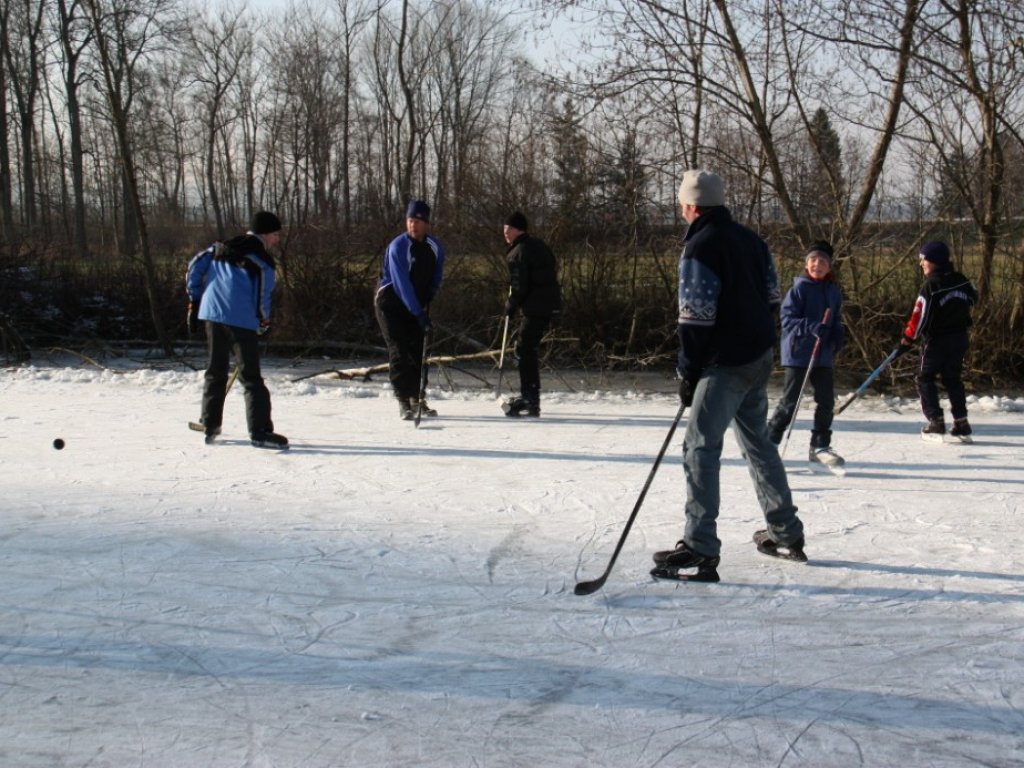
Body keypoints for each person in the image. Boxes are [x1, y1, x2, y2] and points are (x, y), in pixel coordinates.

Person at [652, 170, 806, 583]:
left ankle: (700, 546)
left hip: (725, 363)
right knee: (758, 444)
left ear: (692, 206)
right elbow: (773, 298)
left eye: (682, 204)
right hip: (757, 356)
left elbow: (695, 317)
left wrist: (688, 369)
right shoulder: (751, 240)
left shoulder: (700, 247)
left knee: (699, 446)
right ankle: (786, 533)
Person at [186, 210, 287, 449]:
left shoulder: (219, 248)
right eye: (275, 234)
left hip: (212, 314)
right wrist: (263, 321)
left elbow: (194, 267)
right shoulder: (263, 262)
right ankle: (260, 431)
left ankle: (210, 422)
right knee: (251, 377)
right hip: (240, 320)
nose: (276, 240)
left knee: (215, 370)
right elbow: (263, 296)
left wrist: (195, 299)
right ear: (265, 234)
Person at [767, 240, 846, 468]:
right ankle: (769, 443)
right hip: (798, 352)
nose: (817, 265)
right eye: (813, 260)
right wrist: (811, 326)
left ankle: (819, 444)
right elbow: (787, 319)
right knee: (790, 401)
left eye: (822, 261)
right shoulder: (798, 289)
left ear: (829, 267)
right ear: (806, 263)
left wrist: (837, 334)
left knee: (826, 400)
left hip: (823, 355)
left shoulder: (833, 292)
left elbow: (836, 319)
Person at [899, 240, 977, 441]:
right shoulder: (961, 279)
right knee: (952, 379)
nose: (921, 264)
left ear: (934, 261)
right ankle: (961, 422)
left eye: (924, 259)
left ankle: (936, 421)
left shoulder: (931, 286)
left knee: (925, 378)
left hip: (936, 342)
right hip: (960, 339)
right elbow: (974, 296)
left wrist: (908, 338)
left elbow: (919, 315)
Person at [375, 200, 445, 420]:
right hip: (391, 302)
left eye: (418, 221)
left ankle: (416, 398)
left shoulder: (434, 247)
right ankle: (403, 399)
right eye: (410, 220)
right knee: (399, 349)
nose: (413, 225)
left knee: (417, 350)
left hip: (415, 303)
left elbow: (436, 276)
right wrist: (418, 313)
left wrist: (428, 298)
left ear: (426, 223)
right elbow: (402, 284)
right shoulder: (399, 247)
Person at [500, 211, 561, 418]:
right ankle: (530, 396)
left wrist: (510, 305)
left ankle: (530, 398)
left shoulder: (518, 252)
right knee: (527, 348)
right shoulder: (539, 245)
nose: (505, 234)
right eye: (504, 231)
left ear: (519, 230)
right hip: (549, 305)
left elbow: (519, 286)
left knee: (524, 349)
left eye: (508, 230)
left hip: (536, 308)